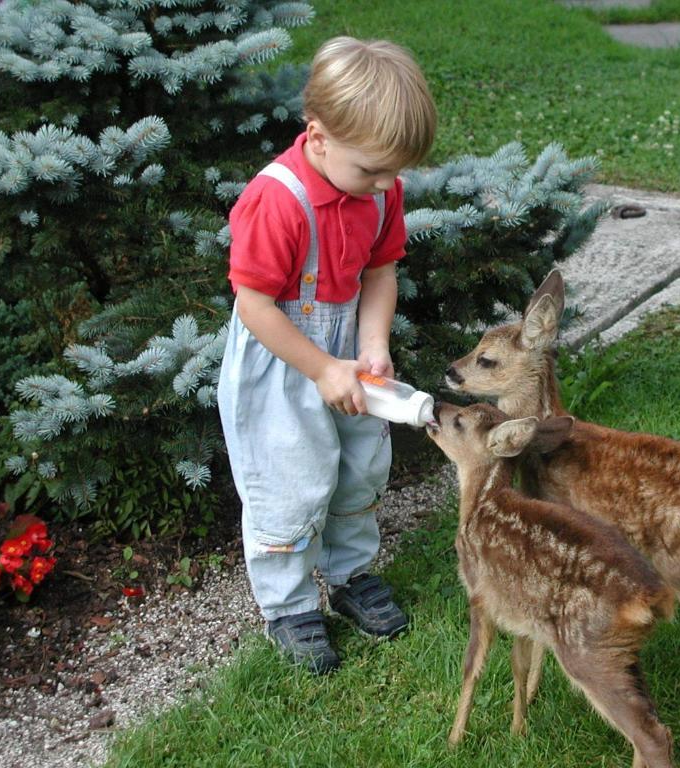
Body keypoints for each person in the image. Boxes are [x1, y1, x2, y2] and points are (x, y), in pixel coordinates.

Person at [217, 36, 437, 674]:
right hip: (284, 364)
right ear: (316, 137)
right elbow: (256, 308)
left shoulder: (378, 190)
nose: (387, 184)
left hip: (348, 357)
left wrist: (371, 345)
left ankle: (350, 576)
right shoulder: (276, 200)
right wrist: (321, 367)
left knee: (360, 467)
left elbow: (380, 271)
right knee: (289, 479)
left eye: (394, 171)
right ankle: (287, 605)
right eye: (372, 170)